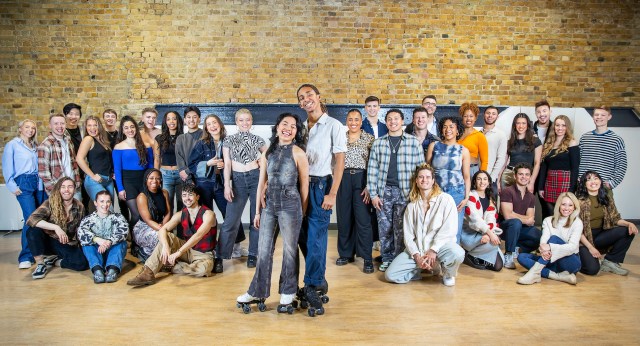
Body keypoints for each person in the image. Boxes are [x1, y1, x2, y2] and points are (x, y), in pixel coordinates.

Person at [236, 113, 310, 313]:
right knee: (263, 250)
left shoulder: (298, 152)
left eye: (293, 126)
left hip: (290, 205)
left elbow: (304, 185)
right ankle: (258, 290)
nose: (288, 128)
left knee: (289, 250)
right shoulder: (268, 151)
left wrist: (301, 212)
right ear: (277, 127)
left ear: (296, 132)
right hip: (269, 205)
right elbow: (262, 181)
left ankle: (288, 291)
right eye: (285, 123)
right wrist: (258, 212)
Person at [296, 84, 346, 310]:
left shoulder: (333, 125)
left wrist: (332, 193)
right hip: (298, 185)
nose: (306, 99)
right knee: (301, 236)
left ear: (318, 97)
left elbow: (339, 162)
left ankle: (312, 285)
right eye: (301, 98)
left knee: (317, 237)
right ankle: (317, 278)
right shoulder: (300, 127)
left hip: (320, 185)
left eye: (309, 95)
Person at [384, 164, 464, 286]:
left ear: (433, 181)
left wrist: (433, 250)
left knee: (458, 253)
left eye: (427, 177)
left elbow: (449, 230)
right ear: (416, 181)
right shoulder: (411, 207)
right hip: (419, 250)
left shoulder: (446, 200)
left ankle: (448, 274)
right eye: (421, 177)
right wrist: (417, 257)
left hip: (440, 248)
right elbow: (408, 237)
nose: (424, 180)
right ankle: (422, 267)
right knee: (390, 275)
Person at [127, 183, 218, 286]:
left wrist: (179, 252)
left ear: (197, 197)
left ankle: (170, 266)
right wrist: (166, 246)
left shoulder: (208, 214)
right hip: (187, 250)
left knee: (203, 270)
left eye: (190, 195)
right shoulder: (180, 214)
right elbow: (163, 229)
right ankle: (148, 273)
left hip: (204, 254)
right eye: (184, 195)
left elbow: (198, 235)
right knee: (167, 236)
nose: (187, 198)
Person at [368, 109, 424, 272]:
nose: (393, 122)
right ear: (386, 122)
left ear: (402, 121)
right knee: (384, 227)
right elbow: (372, 169)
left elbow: (421, 169)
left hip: (406, 192)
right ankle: (386, 258)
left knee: (402, 228)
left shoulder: (413, 142)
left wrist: (418, 193)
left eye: (396, 119)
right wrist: (373, 194)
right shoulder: (379, 143)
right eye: (390, 119)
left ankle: (399, 259)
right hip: (384, 191)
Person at [189, 114, 246, 270]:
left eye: (214, 122)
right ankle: (210, 248)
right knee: (208, 217)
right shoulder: (201, 144)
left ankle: (236, 247)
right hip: (204, 185)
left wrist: (226, 167)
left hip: (222, 185)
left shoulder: (230, 142)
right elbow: (191, 165)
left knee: (231, 215)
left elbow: (239, 163)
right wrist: (209, 163)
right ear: (206, 128)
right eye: (209, 124)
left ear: (220, 124)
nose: (212, 126)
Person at [217, 109, 267, 272]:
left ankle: (253, 253)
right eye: (241, 120)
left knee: (256, 218)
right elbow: (228, 165)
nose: (245, 123)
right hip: (237, 180)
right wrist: (226, 185)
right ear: (236, 122)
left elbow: (269, 158)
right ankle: (221, 256)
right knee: (230, 221)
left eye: (248, 120)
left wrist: (262, 161)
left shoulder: (258, 140)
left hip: (255, 178)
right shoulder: (228, 140)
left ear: (251, 122)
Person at [2, 119, 46, 269]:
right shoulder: (13, 145)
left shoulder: (35, 146)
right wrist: (12, 186)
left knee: (40, 217)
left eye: (33, 128)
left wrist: (41, 186)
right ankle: (25, 256)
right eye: (27, 127)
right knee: (30, 218)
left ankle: (39, 252)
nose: (31, 130)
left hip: (37, 182)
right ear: (20, 129)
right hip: (23, 182)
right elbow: (7, 166)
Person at [336, 109, 375, 273]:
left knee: (363, 220)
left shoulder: (369, 138)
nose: (353, 122)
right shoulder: (340, 137)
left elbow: (373, 163)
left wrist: (369, 185)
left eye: (356, 119)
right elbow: (334, 161)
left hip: (361, 179)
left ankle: (366, 257)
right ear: (346, 121)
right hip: (343, 178)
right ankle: (346, 253)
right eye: (350, 119)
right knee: (344, 218)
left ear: (361, 121)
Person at [576, 171, 637, 276]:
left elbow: (615, 218)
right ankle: (575, 259)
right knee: (593, 270)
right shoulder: (578, 201)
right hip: (582, 240)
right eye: (589, 179)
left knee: (628, 231)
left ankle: (610, 262)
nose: (593, 181)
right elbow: (576, 230)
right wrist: (590, 248)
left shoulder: (606, 199)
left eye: (596, 178)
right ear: (584, 183)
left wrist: (628, 224)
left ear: (600, 181)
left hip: (600, 235)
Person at [25, 177, 88, 279]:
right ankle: (41, 264)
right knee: (33, 231)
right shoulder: (50, 202)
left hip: (65, 243)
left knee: (83, 264)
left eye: (70, 187)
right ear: (59, 189)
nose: (66, 190)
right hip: (47, 242)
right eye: (63, 187)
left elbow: (81, 230)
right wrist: (56, 227)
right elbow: (31, 219)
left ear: (74, 189)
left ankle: (56, 261)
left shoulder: (79, 206)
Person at [517, 192, 582, 285]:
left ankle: (535, 272)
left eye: (570, 205)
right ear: (559, 205)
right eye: (563, 204)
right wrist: (544, 249)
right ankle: (559, 276)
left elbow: (572, 247)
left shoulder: (577, 223)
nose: (566, 208)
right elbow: (543, 241)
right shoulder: (548, 220)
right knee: (522, 257)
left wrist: (550, 247)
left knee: (554, 239)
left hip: (570, 263)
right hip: (551, 260)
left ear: (574, 207)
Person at [427, 116, 470, 243]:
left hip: (456, 192)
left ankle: (452, 260)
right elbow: (426, 171)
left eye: (451, 126)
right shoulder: (433, 146)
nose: (448, 129)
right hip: (436, 191)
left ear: (457, 130)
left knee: (454, 228)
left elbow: (466, 176)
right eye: (445, 126)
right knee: (434, 226)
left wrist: (466, 197)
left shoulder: (463, 150)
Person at [112, 115, 155, 227]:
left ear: (136, 128)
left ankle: (140, 240)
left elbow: (150, 167)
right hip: (128, 182)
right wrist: (120, 189)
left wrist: (150, 183)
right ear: (122, 130)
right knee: (135, 214)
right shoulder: (118, 147)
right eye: (126, 128)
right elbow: (117, 169)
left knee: (145, 214)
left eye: (132, 127)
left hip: (143, 181)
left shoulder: (146, 146)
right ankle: (130, 239)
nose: (130, 130)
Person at [77, 191, 128, 283]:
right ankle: (97, 270)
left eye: (108, 201)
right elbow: (81, 233)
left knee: (122, 242)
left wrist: (108, 242)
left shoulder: (118, 217)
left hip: (112, 251)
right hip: (97, 252)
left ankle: (112, 270)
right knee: (86, 244)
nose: (105, 204)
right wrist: (97, 239)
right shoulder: (88, 219)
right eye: (102, 201)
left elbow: (123, 231)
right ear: (95, 203)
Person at [499, 163, 541, 269]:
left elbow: (531, 219)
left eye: (527, 174)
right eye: (521, 174)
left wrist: (517, 216)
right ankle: (508, 254)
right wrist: (524, 219)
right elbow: (508, 216)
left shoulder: (531, 196)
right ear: (515, 176)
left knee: (538, 235)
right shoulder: (507, 191)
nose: (524, 177)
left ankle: (517, 250)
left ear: (530, 177)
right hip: (505, 228)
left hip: (520, 228)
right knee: (515, 222)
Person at [460, 170, 504, 271]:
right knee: (494, 241)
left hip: (484, 235)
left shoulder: (490, 199)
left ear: (489, 182)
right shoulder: (470, 196)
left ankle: (473, 255)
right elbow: (475, 220)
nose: (482, 182)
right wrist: (490, 233)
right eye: (479, 179)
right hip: (469, 235)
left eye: (485, 179)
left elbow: (491, 219)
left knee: (498, 266)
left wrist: (488, 234)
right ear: (474, 182)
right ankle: (467, 254)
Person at [538, 115, 579, 219]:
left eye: (563, 125)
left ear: (567, 127)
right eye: (557, 125)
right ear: (554, 127)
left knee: (563, 213)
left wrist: (572, 188)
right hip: (550, 181)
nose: (560, 128)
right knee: (549, 212)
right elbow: (544, 167)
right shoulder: (549, 143)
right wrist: (541, 187)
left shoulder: (572, 142)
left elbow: (575, 168)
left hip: (565, 181)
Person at [578, 105, 627, 190]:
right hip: (583, 187)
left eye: (603, 115)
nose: (599, 117)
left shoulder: (616, 140)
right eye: (596, 115)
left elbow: (621, 165)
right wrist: (578, 178)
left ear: (609, 117)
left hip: (603, 189)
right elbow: (578, 161)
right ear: (593, 117)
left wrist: (612, 183)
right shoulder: (584, 138)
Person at [38, 113, 82, 199]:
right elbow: (43, 173)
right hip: (58, 189)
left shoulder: (68, 141)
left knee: (77, 212)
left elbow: (73, 164)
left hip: (74, 187)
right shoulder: (45, 145)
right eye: (56, 123)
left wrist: (78, 183)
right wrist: (54, 192)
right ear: (50, 126)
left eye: (62, 123)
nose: (60, 126)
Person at [131, 168, 171, 261]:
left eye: (157, 178)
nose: (154, 181)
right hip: (143, 227)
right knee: (160, 238)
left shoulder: (165, 193)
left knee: (169, 239)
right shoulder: (142, 196)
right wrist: (162, 230)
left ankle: (157, 256)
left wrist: (163, 227)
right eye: (151, 178)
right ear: (146, 180)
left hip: (160, 225)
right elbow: (147, 220)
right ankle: (143, 251)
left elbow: (168, 212)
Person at [75, 116, 114, 204]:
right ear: (86, 128)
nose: (92, 128)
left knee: (110, 211)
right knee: (105, 209)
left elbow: (105, 160)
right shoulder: (88, 139)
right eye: (89, 125)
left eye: (95, 125)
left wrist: (112, 172)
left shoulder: (103, 140)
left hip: (108, 180)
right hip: (95, 180)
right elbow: (79, 159)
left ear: (99, 126)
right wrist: (92, 176)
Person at [502, 113, 542, 192]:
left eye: (523, 123)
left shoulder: (535, 141)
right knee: (506, 202)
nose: (521, 126)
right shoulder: (509, 142)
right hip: (509, 175)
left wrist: (532, 182)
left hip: (525, 176)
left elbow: (537, 163)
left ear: (528, 125)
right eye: (518, 123)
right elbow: (503, 163)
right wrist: (498, 179)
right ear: (515, 125)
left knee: (524, 203)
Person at [155, 110, 184, 214]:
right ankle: (168, 230)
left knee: (182, 205)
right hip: (165, 175)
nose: (171, 121)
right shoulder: (159, 138)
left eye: (174, 118)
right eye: (168, 119)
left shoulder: (184, 137)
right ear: (165, 122)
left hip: (181, 174)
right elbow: (157, 159)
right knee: (167, 204)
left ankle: (182, 230)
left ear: (178, 121)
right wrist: (156, 176)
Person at [457, 102, 488, 176]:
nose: (468, 119)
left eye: (471, 116)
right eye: (465, 116)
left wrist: (482, 176)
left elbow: (484, 161)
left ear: (475, 118)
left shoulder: (480, 136)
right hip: (457, 170)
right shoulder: (456, 134)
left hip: (472, 170)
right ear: (462, 117)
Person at [481, 106, 507, 190]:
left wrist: (491, 178)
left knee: (490, 203)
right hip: (476, 176)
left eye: (493, 114)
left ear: (497, 117)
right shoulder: (477, 134)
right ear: (483, 115)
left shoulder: (501, 135)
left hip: (490, 178)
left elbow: (501, 159)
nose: (490, 116)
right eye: (488, 113)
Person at [175, 106, 202, 185]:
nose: (191, 120)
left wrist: (188, 171)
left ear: (199, 119)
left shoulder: (205, 136)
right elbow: (180, 159)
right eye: (188, 117)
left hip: (203, 178)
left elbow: (202, 158)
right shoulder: (181, 138)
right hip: (187, 178)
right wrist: (189, 179)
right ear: (184, 120)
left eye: (194, 117)